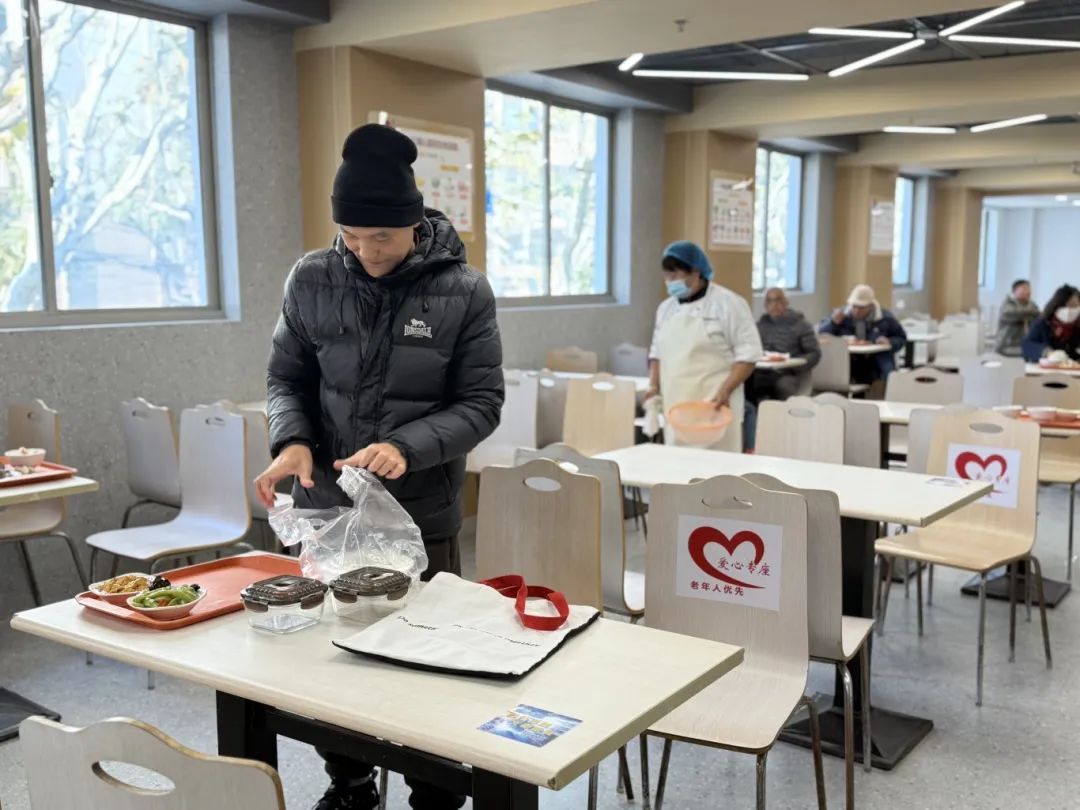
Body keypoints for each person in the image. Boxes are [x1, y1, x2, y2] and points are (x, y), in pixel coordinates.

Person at [255, 124, 504, 810]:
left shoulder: (463, 291)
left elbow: (482, 403)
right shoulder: (311, 278)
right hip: (329, 508)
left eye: (382, 238)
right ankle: (350, 783)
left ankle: (434, 795)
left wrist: (407, 446)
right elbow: (285, 378)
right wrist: (292, 441)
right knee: (334, 658)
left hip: (419, 513)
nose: (366, 252)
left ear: (414, 224)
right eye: (352, 236)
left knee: (427, 658)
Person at [646, 240, 762, 452]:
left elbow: (749, 354)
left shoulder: (729, 303)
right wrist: (653, 387)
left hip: (715, 406)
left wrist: (726, 391)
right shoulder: (665, 309)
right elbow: (657, 353)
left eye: (675, 275)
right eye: (667, 276)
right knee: (677, 465)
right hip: (676, 408)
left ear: (696, 273)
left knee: (717, 466)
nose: (670, 281)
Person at [818, 283, 907, 385]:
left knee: (887, 368)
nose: (856, 311)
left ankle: (892, 389)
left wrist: (889, 342)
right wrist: (833, 323)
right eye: (854, 307)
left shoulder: (885, 318)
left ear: (870, 306)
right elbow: (821, 335)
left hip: (875, 358)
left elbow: (901, 337)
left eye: (861, 308)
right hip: (848, 358)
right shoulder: (840, 315)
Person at [748, 287, 821, 401]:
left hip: (790, 374)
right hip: (763, 372)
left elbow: (814, 353)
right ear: (765, 305)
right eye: (769, 301)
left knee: (783, 385)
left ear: (786, 302)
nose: (774, 304)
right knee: (746, 382)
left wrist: (795, 364)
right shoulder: (760, 325)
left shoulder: (801, 325)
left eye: (778, 300)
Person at [1022, 284, 1080, 362]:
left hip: (1072, 366)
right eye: (1065, 305)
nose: (1069, 310)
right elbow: (1027, 346)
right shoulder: (1042, 323)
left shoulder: (1077, 326)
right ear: (1056, 305)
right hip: (1043, 365)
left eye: (1074, 306)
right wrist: (1048, 352)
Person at [996, 279, 1040, 356]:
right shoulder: (1008, 303)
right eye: (1024, 288)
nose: (1028, 291)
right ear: (1015, 291)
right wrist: (1034, 313)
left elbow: (1038, 317)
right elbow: (1014, 313)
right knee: (1034, 353)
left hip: (1024, 344)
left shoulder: (1032, 305)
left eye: (1029, 288)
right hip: (1007, 345)